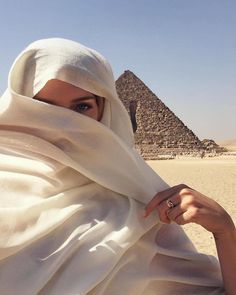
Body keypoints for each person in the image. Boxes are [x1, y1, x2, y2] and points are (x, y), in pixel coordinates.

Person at [0, 38, 235, 295]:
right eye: (43, 107)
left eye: (81, 107)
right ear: (20, 107)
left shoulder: (143, 201)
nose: (64, 123)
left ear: (103, 111)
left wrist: (225, 231)